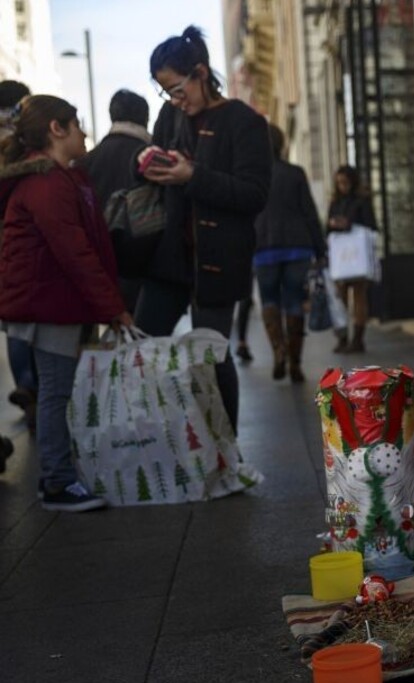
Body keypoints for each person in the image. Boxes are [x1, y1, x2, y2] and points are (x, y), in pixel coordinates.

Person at [134, 26, 271, 431]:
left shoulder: (243, 121)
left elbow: (254, 194)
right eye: (166, 93)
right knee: (144, 347)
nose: (175, 100)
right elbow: (150, 166)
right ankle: (156, 443)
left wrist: (192, 175)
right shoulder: (169, 116)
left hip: (219, 259)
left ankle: (224, 450)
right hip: (168, 256)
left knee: (210, 358)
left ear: (200, 72)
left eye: (178, 89)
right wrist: (143, 163)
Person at [0, 95, 133, 511]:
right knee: (57, 393)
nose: (84, 132)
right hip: (49, 302)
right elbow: (74, 252)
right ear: (57, 130)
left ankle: (58, 475)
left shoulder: (63, 178)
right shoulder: (47, 184)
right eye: (76, 124)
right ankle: (57, 482)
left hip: (55, 300)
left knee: (59, 391)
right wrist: (113, 308)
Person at [255, 124, 325, 382]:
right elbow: (309, 212)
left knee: (269, 300)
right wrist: (320, 248)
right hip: (298, 245)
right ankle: (296, 362)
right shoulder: (295, 173)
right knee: (295, 301)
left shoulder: (254, 175)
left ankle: (278, 351)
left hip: (263, 246)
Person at [78, 89, 152, 313]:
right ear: (145, 118)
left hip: (96, 266)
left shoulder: (85, 162)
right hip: (143, 266)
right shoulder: (152, 158)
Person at [0, 79, 38, 432]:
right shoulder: (24, 141)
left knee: (13, 324)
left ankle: (26, 388)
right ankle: (31, 387)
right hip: (23, 243)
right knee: (31, 321)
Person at [326, 165, 376, 354]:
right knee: (340, 298)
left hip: (357, 255)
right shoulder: (335, 202)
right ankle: (343, 336)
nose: (342, 186)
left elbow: (370, 225)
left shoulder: (362, 201)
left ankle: (357, 338)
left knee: (359, 297)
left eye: (345, 182)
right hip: (341, 256)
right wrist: (333, 225)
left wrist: (348, 224)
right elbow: (328, 228)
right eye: (339, 183)